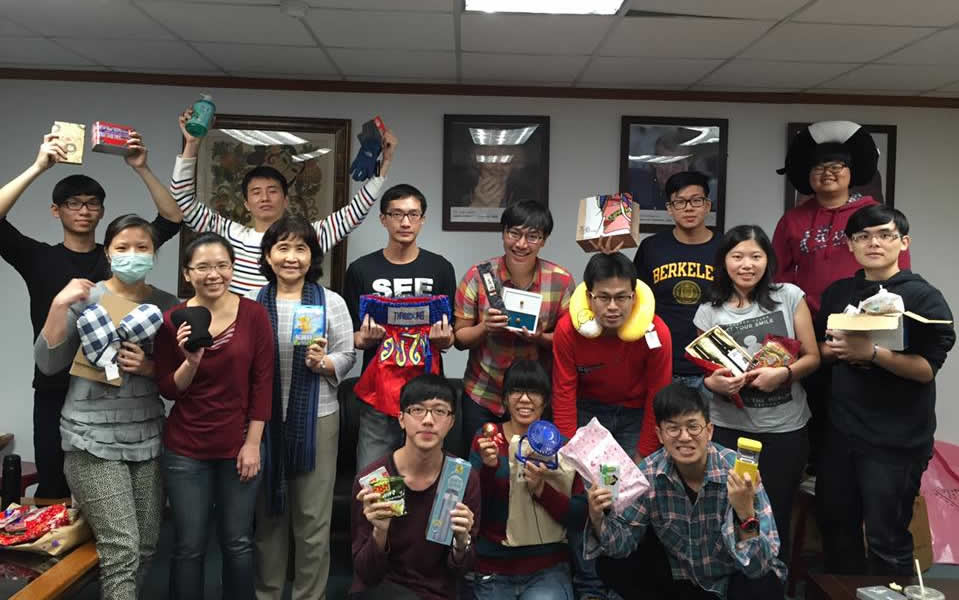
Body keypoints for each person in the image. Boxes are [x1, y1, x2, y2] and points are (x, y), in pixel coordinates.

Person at [0, 131, 180, 498]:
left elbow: (172, 218)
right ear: (56, 210)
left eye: (92, 203)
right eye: (73, 203)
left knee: (111, 494)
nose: (84, 210)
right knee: (55, 488)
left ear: (102, 211)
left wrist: (141, 167)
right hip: (55, 385)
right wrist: (39, 166)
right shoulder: (39, 258)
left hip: (113, 392)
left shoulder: (119, 256)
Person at [33, 215, 177, 600]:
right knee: (121, 549)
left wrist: (149, 367)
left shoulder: (167, 305)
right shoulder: (84, 297)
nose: (133, 254)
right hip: (90, 438)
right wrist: (58, 303)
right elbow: (48, 363)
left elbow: (179, 377)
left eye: (142, 247)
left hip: (146, 435)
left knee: (145, 545)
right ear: (108, 253)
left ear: (154, 254)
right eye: (122, 247)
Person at [815, 205, 955, 575]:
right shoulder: (838, 293)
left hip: (895, 441)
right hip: (841, 434)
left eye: (885, 235)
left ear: (903, 242)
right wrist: (836, 349)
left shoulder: (923, 298)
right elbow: (819, 350)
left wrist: (872, 353)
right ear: (850, 244)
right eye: (862, 236)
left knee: (887, 541)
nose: (873, 243)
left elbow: (926, 369)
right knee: (836, 534)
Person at [772, 121, 910, 468]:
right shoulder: (792, 220)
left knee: (860, 404)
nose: (828, 173)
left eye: (837, 166)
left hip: (864, 324)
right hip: (808, 326)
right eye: (819, 167)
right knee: (812, 404)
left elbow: (897, 271)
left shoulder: (872, 216)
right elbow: (778, 275)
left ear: (852, 171)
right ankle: (815, 475)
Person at [159, 107, 398, 294]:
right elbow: (182, 198)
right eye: (256, 192)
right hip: (241, 332)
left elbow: (353, 214)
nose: (264, 197)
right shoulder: (226, 234)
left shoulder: (308, 236)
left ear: (285, 200)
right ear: (246, 203)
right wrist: (192, 144)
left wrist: (385, 163)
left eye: (272, 191)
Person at [153, 232, 275, 600]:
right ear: (187, 273)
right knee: (189, 544)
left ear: (233, 268)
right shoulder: (172, 320)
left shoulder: (253, 314)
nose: (214, 274)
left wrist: (252, 444)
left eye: (222, 265)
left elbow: (263, 384)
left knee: (237, 542)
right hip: (186, 449)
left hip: (239, 445)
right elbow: (169, 389)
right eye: (203, 267)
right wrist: (191, 362)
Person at [585, 383, 786, 600]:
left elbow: (759, 567)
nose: (684, 437)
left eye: (693, 427)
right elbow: (620, 546)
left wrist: (745, 513)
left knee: (764, 586)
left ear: (709, 431)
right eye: (673, 428)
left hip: (730, 579)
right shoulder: (649, 473)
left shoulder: (738, 473)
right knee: (610, 564)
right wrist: (598, 518)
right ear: (660, 434)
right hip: (681, 579)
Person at [693, 224, 820, 560]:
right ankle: (735, 580)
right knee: (726, 514)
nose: (746, 264)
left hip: (784, 431)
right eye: (737, 256)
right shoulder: (709, 309)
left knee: (776, 513)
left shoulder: (789, 296)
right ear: (724, 261)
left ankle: (771, 579)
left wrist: (784, 374)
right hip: (728, 430)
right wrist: (713, 383)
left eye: (755, 256)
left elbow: (813, 357)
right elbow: (704, 372)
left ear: (768, 260)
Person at [250, 215, 356, 599]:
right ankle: (267, 593)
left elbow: (348, 355)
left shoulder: (330, 301)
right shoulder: (252, 303)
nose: (291, 257)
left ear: (312, 256)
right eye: (283, 248)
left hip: (318, 420)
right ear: (268, 255)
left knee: (313, 520)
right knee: (268, 517)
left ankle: (310, 595)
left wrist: (323, 363)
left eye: (301, 248)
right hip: (262, 424)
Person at [343, 184, 456, 470]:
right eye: (397, 214)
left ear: (422, 219)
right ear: (383, 219)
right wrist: (365, 338)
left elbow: (450, 336)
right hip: (378, 391)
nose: (405, 222)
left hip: (428, 393)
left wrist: (444, 339)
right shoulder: (361, 269)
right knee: (374, 477)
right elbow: (352, 336)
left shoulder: (440, 268)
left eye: (413, 214)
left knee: (425, 474)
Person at [454, 200, 574, 454]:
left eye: (532, 236)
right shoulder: (479, 276)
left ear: (544, 240)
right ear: (503, 233)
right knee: (479, 468)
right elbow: (460, 338)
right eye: (514, 233)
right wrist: (485, 327)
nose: (521, 244)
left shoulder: (561, 280)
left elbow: (570, 344)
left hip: (535, 399)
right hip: (483, 393)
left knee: (535, 468)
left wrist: (540, 337)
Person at [351, 374, 480, 600]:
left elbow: (461, 571)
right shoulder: (376, 478)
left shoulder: (462, 478)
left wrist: (462, 543)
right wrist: (380, 532)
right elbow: (366, 574)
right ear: (401, 418)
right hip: (383, 590)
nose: (428, 420)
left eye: (439, 411)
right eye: (418, 410)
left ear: (451, 421)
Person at [469, 359, 587, 600]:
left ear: (546, 400)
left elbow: (579, 517)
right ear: (505, 398)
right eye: (516, 391)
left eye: (534, 391)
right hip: (494, 568)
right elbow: (473, 508)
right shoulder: (488, 440)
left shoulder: (563, 447)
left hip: (547, 568)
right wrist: (490, 469)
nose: (524, 399)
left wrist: (542, 490)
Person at [552, 252, 672, 459]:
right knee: (579, 476)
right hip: (587, 409)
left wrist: (644, 455)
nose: (613, 307)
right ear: (589, 297)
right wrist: (567, 453)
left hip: (637, 413)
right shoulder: (567, 330)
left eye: (621, 297)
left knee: (636, 478)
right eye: (604, 297)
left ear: (634, 297)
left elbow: (658, 396)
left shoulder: (657, 332)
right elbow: (564, 394)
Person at [633, 171, 720, 387]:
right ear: (669, 209)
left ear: (707, 205)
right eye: (680, 202)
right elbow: (634, 298)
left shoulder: (726, 249)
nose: (688, 208)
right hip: (661, 360)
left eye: (696, 200)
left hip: (712, 366)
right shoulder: (651, 247)